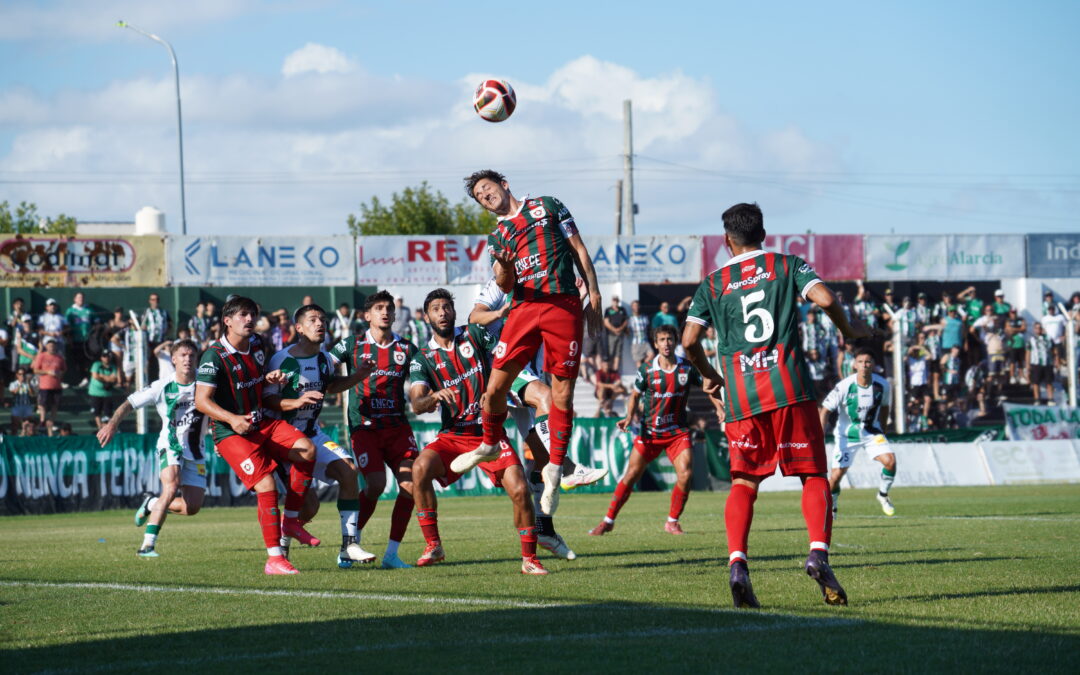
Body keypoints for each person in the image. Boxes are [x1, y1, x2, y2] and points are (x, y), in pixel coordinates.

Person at [681, 202, 868, 609]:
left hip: (742, 397)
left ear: (728, 241)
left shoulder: (712, 283)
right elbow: (824, 297)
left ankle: (737, 564)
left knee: (745, 483)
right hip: (790, 390)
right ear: (763, 234)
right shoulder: (787, 265)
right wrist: (849, 330)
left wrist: (709, 374)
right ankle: (818, 553)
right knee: (813, 475)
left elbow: (689, 342)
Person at [457, 169, 602, 518]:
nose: (485, 196)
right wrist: (505, 267)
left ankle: (557, 471)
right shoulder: (498, 236)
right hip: (524, 309)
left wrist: (593, 292)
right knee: (493, 390)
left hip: (563, 304)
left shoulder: (548, 206)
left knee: (561, 394)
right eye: (479, 196)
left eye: (487, 189)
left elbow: (579, 249)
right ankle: (490, 443)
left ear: (504, 185)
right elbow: (505, 285)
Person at [407, 288, 547, 574]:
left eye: (446, 307)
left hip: (489, 433)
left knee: (520, 490)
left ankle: (530, 559)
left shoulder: (474, 334)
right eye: (436, 308)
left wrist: (498, 392)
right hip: (454, 435)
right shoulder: (422, 358)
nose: (442, 312)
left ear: (454, 311)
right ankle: (433, 544)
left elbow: (505, 364)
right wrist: (433, 397)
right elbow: (417, 404)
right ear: (426, 316)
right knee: (419, 469)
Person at [469, 277, 606, 561]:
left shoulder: (548, 279)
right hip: (507, 365)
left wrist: (580, 301)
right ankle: (567, 468)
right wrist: (501, 313)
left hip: (534, 367)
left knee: (540, 462)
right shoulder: (500, 283)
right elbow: (474, 316)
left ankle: (543, 529)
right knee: (545, 399)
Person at [194, 295, 319, 575]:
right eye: (241, 315)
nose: (249, 319)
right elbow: (201, 401)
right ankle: (274, 559)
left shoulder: (259, 344)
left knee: (307, 449)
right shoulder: (214, 356)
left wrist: (270, 379)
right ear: (227, 321)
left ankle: (292, 522)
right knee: (267, 488)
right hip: (231, 432)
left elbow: (255, 381)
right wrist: (231, 419)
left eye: (251, 314)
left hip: (262, 423)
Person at [264, 304, 376, 568]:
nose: (320, 324)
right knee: (308, 507)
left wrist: (358, 375)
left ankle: (349, 545)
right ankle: (281, 547)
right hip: (284, 442)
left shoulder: (325, 358)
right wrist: (295, 402)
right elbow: (268, 400)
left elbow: (331, 386)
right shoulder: (281, 360)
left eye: (323, 320)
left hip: (312, 433)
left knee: (349, 471)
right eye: (313, 320)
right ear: (299, 328)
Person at [590, 324, 720, 536]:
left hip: (677, 433)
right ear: (656, 344)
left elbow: (708, 385)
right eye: (662, 340)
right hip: (650, 433)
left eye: (669, 339)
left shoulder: (687, 368)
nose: (666, 343)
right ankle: (608, 520)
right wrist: (629, 417)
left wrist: (719, 407)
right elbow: (634, 396)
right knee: (631, 475)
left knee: (686, 474)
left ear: (675, 341)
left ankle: (672, 521)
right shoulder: (647, 370)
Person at [329, 290, 420, 569]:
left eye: (389, 308)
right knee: (376, 485)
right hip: (365, 427)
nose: (385, 312)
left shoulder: (407, 349)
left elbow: (420, 381)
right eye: (379, 308)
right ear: (367, 315)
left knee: (411, 486)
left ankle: (391, 555)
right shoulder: (351, 345)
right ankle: (349, 543)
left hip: (397, 427)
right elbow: (325, 370)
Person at [97, 340, 207, 558]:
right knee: (171, 486)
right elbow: (129, 402)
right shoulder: (162, 386)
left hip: (196, 450)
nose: (187, 359)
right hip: (170, 444)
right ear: (173, 359)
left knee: (191, 507)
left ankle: (152, 503)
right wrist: (112, 424)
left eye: (191, 355)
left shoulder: (206, 385)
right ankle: (147, 545)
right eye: (183, 355)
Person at [819, 348, 897, 518]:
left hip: (871, 433)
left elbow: (885, 409)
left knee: (890, 462)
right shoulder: (844, 386)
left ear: (873, 365)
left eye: (868, 362)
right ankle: (833, 504)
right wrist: (820, 434)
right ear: (854, 365)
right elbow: (825, 410)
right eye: (860, 362)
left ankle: (883, 495)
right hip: (847, 435)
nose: (864, 365)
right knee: (836, 477)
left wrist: (882, 433)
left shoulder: (882, 385)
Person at [32, 337, 65, 435]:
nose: (52, 347)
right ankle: (42, 421)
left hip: (56, 385)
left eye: (53, 346)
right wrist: (48, 372)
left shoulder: (59, 357)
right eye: (50, 346)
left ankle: (51, 421)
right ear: (46, 346)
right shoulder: (42, 356)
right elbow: (36, 370)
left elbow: (63, 369)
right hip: (45, 385)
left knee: (55, 404)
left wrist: (60, 374)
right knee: (42, 404)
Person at [65, 292, 94, 387]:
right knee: (76, 361)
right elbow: (66, 326)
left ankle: (87, 379)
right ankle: (79, 379)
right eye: (78, 297)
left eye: (82, 297)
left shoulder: (89, 310)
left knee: (87, 361)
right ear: (75, 299)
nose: (80, 299)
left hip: (87, 341)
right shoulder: (70, 311)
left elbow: (96, 322)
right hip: (75, 341)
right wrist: (69, 339)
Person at [88, 351, 119, 429]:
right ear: (101, 357)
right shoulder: (97, 365)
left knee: (108, 413)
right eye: (104, 356)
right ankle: (100, 427)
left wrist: (102, 376)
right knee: (96, 412)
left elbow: (114, 379)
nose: (106, 358)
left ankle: (106, 428)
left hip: (107, 393)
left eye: (108, 356)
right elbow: (95, 376)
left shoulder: (113, 366)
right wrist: (108, 377)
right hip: (95, 393)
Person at [1028, 322, 1055, 405]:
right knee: (1036, 382)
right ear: (1034, 329)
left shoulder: (1048, 338)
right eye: (1036, 328)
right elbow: (1028, 352)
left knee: (1049, 382)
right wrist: (1027, 364)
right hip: (1036, 363)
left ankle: (1050, 399)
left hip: (1047, 362)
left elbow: (1054, 350)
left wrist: (1056, 360)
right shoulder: (1031, 339)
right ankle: (1037, 399)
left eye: (1039, 328)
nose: (1038, 330)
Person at [603, 296, 628, 372]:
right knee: (610, 352)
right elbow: (606, 322)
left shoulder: (622, 310)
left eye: (616, 300)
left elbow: (626, 321)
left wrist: (620, 329)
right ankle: (609, 369)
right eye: (614, 300)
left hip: (620, 334)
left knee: (618, 352)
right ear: (612, 301)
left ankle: (615, 370)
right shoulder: (608, 310)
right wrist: (614, 330)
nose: (615, 302)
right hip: (611, 334)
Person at [1040, 304, 1068, 368]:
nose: (1051, 311)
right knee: (1051, 354)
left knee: (1058, 354)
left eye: (1052, 309)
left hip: (1058, 340)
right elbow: (1043, 329)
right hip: (1048, 340)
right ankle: (1052, 367)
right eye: (1050, 309)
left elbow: (1066, 326)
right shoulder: (1044, 318)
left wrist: (1064, 336)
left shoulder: (1060, 317)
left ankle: (1058, 368)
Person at [9, 368, 36, 433]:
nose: (22, 376)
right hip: (17, 406)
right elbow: (14, 393)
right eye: (20, 374)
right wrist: (20, 384)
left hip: (27, 406)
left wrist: (28, 383)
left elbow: (32, 394)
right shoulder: (13, 384)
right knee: (14, 425)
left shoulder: (28, 383)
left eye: (23, 374)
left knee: (28, 426)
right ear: (17, 375)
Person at [628, 300, 653, 366]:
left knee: (652, 355)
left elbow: (648, 328)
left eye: (637, 305)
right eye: (634, 306)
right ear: (632, 307)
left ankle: (643, 368)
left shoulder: (644, 317)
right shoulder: (630, 319)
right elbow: (627, 331)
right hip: (635, 343)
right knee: (638, 361)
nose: (636, 307)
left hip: (645, 341)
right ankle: (641, 374)